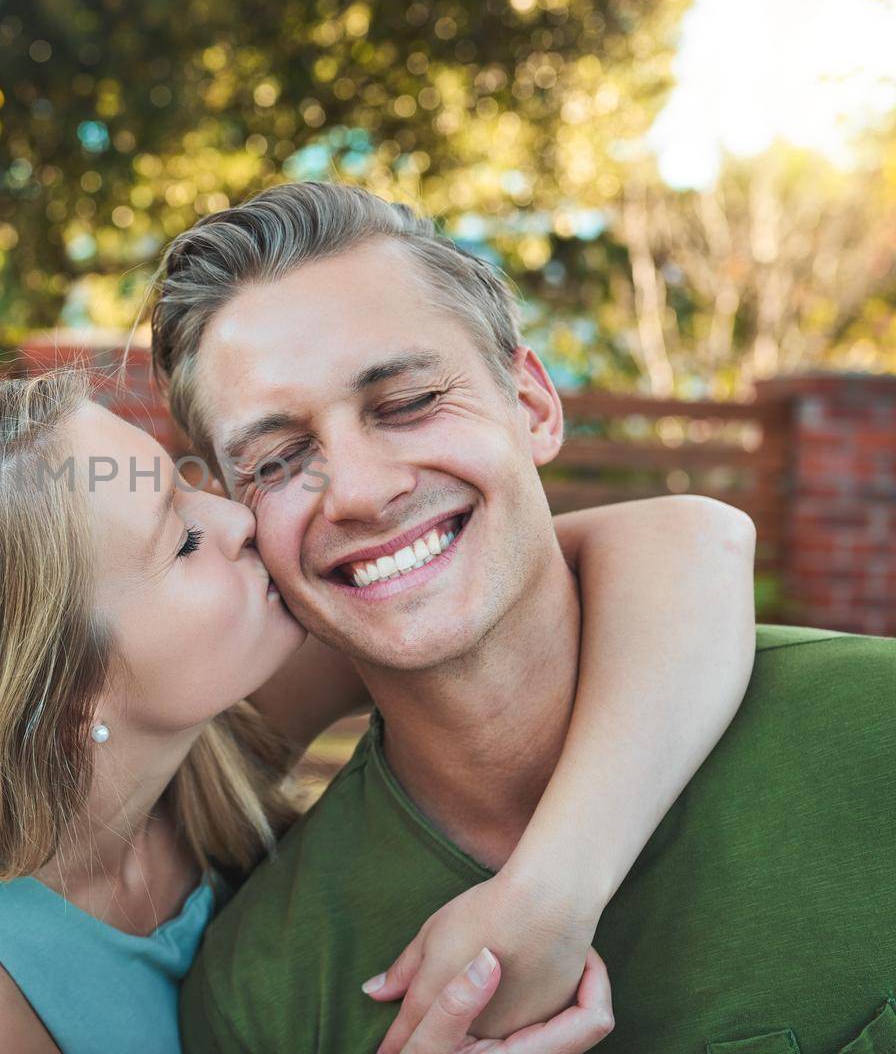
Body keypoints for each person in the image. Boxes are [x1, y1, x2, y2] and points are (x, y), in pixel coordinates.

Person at [0, 365, 758, 1053]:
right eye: (178, 543)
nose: (236, 519)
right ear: (63, 696)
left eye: (186, 480)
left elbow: (693, 541)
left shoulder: (212, 712)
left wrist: (546, 895)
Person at [150, 182, 896, 1053]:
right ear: (243, 520)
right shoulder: (261, 987)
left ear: (534, 405)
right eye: (279, 461)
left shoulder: (874, 728)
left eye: (409, 403)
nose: (359, 490)